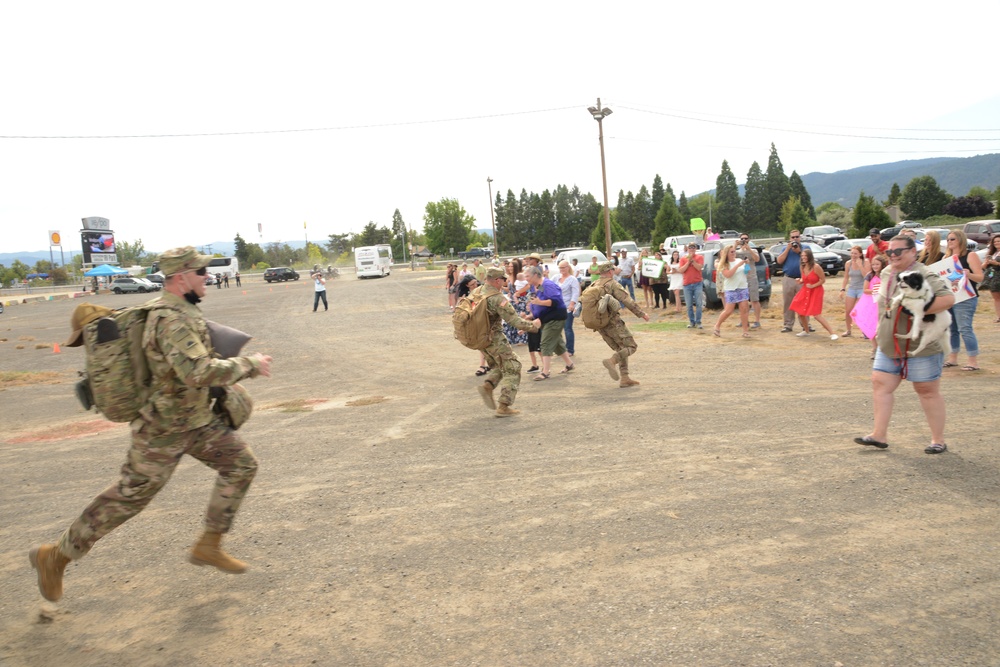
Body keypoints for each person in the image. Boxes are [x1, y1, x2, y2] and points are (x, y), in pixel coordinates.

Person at [28, 247, 273, 602]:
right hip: (161, 430)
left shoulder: (185, 311)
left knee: (241, 465)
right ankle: (55, 556)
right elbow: (197, 371)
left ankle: (209, 544)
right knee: (130, 496)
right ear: (180, 277)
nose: (208, 278)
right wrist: (249, 364)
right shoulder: (170, 319)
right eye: (201, 272)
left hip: (197, 422)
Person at [855, 235, 954, 454]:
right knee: (880, 383)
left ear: (912, 252)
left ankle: (938, 440)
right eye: (890, 252)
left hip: (921, 343)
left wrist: (919, 309)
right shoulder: (886, 272)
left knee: (926, 389)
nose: (892, 256)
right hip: (890, 342)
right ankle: (879, 435)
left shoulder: (925, 274)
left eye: (898, 252)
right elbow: (884, 304)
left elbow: (948, 300)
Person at [474, 268, 541, 417]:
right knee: (513, 367)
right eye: (503, 280)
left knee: (500, 365)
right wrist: (533, 326)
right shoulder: (498, 298)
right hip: (494, 338)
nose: (504, 283)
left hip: (480, 339)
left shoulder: (477, 292)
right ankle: (503, 406)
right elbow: (515, 321)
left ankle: (488, 385)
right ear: (497, 280)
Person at [591, 261, 650, 387]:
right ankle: (612, 361)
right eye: (613, 269)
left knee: (620, 349)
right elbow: (626, 300)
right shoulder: (612, 284)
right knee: (631, 347)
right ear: (609, 271)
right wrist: (641, 314)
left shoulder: (593, 285)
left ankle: (625, 378)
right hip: (613, 323)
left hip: (600, 325)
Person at [943, 229, 984, 371]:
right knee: (952, 328)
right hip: (951, 297)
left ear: (960, 240)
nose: (949, 242)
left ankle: (973, 361)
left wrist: (968, 274)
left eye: (952, 239)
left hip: (966, 297)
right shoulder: (946, 258)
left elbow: (980, 277)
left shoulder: (970, 255)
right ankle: (952, 358)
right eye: (948, 239)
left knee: (965, 328)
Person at [524, 265, 573, 380]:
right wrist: (531, 314)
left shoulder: (548, 285)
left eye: (528, 276)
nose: (526, 279)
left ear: (536, 275)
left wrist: (539, 302)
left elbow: (556, 301)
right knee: (556, 343)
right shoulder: (536, 286)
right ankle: (569, 364)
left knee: (545, 343)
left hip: (555, 318)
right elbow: (536, 301)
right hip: (545, 319)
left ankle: (545, 371)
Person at [789, 248, 838, 340]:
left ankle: (832, 333)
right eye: (802, 256)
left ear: (809, 256)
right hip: (806, 289)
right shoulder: (802, 267)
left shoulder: (816, 267)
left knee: (816, 314)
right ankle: (806, 330)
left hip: (816, 290)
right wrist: (800, 281)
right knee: (800, 310)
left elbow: (823, 280)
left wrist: (813, 285)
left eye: (805, 256)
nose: (803, 258)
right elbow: (804, 279)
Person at [850, 254, 887, 359]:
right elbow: (865, 290)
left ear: (882, 265)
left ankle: (883, 348)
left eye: (877, 264)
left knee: (882, 327)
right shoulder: (869, 275)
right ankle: (875, 348)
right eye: (873, 264)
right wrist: (875, 291)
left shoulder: (886, 275)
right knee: (873, 326)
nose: (875, 266)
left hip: (883, 304)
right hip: (872, 304)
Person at [712, 246, 751, 338]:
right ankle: (717, 325)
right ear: (727, 254)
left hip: (742, 287)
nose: (734, 253)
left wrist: (747, 265)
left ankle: (745, 331)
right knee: (729, 310)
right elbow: (728, 275)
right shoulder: (723, 264)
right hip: (731, 288)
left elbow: (746, 273)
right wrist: (738, 265)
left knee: (744, 309)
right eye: (731, 252)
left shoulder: (738, 260)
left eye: (734, 251)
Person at [456, 274, 487, 376]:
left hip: (484, 319)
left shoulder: (482, 290)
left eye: (476, 282)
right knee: (481, 343)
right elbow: (459, 309)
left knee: (483, 343)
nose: (475, 284)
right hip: (473, 322)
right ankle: (488, 364)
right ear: (467, 285)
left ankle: (483, 366)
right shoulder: (465, 294)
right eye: (472, 284)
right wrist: (461, 302)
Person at [777, 230, 806, 333]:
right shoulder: (785, 248)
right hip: (788, 278)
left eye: (797, 237)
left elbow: (809, 260)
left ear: (800, 237)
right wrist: (788, 249)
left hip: (802, 279)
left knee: (803, 302)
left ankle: (806, 325)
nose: (795, 239)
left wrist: (798, 251)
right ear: (790, 238)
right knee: (788, 303)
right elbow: (779, 261)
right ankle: (788, 325)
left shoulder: (805, 248)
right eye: (793, 237)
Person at [838, 246, 869, 337]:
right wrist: (842, 289)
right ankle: (848, 330)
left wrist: (860, 265)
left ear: (860, 254)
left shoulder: (865, 262)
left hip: (862, 288)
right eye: (852, 253)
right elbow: (846, 277)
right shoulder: (848, 263)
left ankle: (865, 331)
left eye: (855, 253)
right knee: (848, 311)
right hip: (852, 288)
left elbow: (866, 276)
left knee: (860, 311)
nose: (853, 255)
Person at [734, 234, 762, 328]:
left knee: (754, 300)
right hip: (741, 278)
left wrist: (748, 249)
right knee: (742, 301)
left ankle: (757, 321)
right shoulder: (738, 251)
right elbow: (731, 256)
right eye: (742, 239)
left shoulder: (753, 250)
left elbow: (757, 259)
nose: (744, 240)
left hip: (751, 277)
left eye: (746, 239)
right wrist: (735, 245)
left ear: (749, 240)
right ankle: (744, 320)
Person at [556, 260, 581, 357]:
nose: (562, 269)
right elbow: (549, 287)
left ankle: (570, 349)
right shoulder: (556, 278)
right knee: (556, 329)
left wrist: (572, 304)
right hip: (556, 307)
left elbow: (575, 293)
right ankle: (560, 349)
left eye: (563, 267)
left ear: (568, 267)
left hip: (567, 307)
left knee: (567, 328)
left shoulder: (572, 279)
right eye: (560, 268)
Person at [503, 258, 529, 346]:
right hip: (512, 301)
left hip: (520, 300)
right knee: (511, 319)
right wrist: (504, 289)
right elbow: (509, 290)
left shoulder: (519, 275)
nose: (509, 268)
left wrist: (518, 292)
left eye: (511, 266)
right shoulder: (508, 277)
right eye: (509, 266)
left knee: (521, 318)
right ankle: (512, 338)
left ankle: (522, 339)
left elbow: (527, 286)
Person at [678, 243, 705, 328]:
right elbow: (681, 270)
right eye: (690, 247)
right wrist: (688, 262)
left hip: (697, 283)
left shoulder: (699, 257)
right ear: (687, 249)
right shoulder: (683, 259)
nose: (692, 249)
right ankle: (692, 322)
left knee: (698, 303)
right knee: (689, 305)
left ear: (696, 249)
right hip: (687, 284)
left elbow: (699, 268)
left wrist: (693, 261)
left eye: (693, 247)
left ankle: (698, 322)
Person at [980, 234, 1000, 322]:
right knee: (996, 297)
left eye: (998, 241)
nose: (996, 243)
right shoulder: (992, 253)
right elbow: (983, 267)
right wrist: (986, 263)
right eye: (995, 242)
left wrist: (997, 264)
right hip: (993, 278)